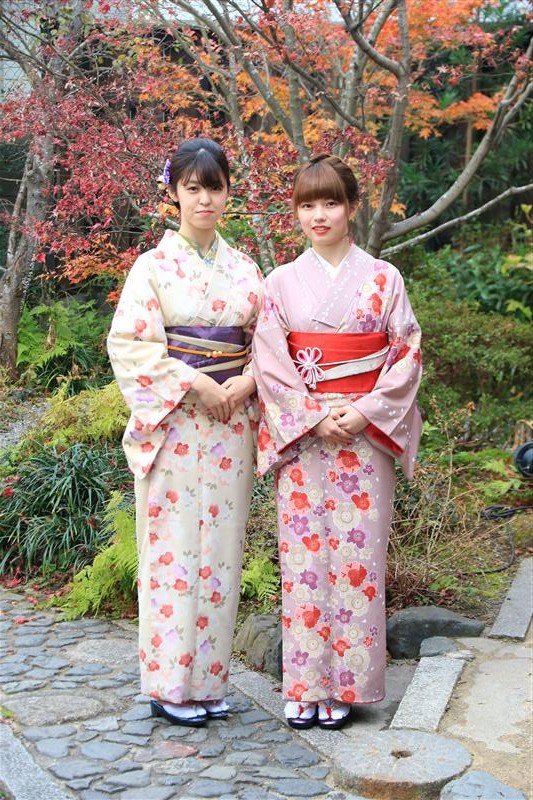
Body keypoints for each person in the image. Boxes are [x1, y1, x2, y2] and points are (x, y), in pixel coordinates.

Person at [252, 154, 422, 730]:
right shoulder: (279, 282)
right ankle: (304, 683)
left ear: (352, 207)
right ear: (297, 212)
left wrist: (365, 411)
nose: (319, 215)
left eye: (331, 202)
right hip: (305, 437)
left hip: (363, 434)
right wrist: (309, 415)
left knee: (358, 558)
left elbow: (406, 352)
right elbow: (269, 359)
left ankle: (347, 686)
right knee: (302, 558)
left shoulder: (384, 278)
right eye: (307, 205)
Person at [107, 138, 263, 726]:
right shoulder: (151, 267)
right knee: (171, 550)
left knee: (222, 549)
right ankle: (169, 684)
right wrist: (196, 382)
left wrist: (247, 383)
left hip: (230, 424)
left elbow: (270, 347)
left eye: (214, 187)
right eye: (192, 188)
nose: (204, 199)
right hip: (174, 423)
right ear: (173, 192)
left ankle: (209, 681)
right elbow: (129, 345)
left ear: (228, 193)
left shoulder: (245, 269)